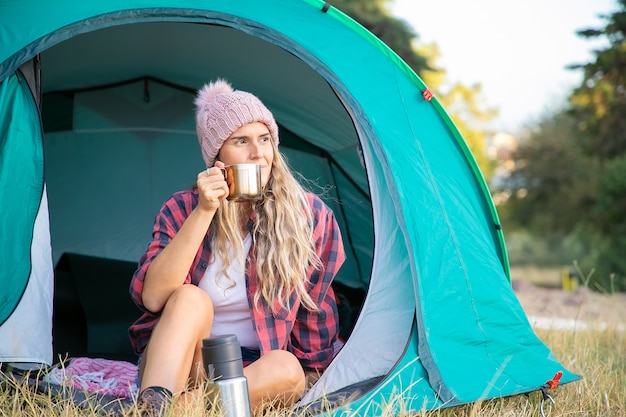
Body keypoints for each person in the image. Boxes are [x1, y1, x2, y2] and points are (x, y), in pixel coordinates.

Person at [128, 79, 346, 415]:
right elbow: (153, 297)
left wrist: (319, 377)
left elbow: (314, 309)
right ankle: (156, 405)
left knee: (287, 369)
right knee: (190, 298)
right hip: (182, 367)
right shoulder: (182, 208)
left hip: (254, 373)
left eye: (264, 139)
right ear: (217, 155)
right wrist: (204, 210)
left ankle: (179, 412)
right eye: (240, 141)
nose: (258, 153)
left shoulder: (312, 216)